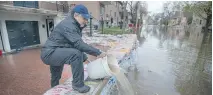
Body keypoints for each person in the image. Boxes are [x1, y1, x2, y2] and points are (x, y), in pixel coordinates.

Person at [40, 4, 106, 93]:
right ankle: (78, 85)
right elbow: (78, 44)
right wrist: (98, 52)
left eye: (87, 19)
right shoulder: (69, 25)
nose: (86, 21)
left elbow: (75, 44)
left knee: (56, 76)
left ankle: (54, 90)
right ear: (76, 15)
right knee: (75, 54)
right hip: (50, 53)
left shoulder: (74, 24)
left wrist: (85, 58)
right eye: (84, 18)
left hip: (56, 50)